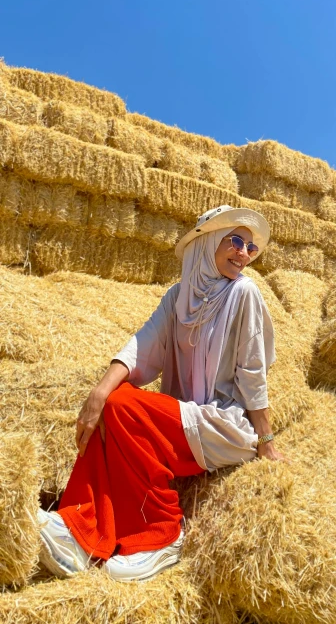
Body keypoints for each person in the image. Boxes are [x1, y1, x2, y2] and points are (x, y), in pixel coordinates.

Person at [37, 205, 286, 582]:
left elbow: (252, 372)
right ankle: (80, 531)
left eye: (251, 248)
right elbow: (144, 344)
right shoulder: (178, 296)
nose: (244, 253)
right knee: (112, 404)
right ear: (206, 244)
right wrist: (97, 393)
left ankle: (164, 532)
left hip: (224, 425)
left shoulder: (244, 294)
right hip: (187, 415)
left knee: (122, 405)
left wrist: (266, 440)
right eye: (236, 241)